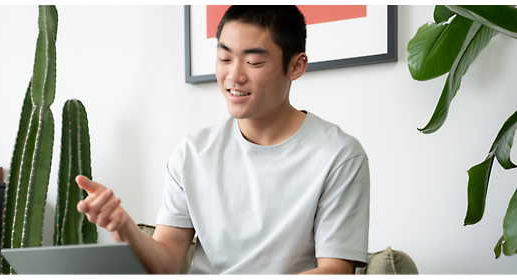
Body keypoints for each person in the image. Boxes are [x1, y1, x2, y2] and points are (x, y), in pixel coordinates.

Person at [76, 5, 369, 275]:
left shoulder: (339, 155)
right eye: (224, 58)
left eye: (253, 61)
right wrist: (123, 225)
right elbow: (165, 262)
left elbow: (334, 271)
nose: (234, 75)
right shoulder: (192, 154)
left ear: (296, 66)